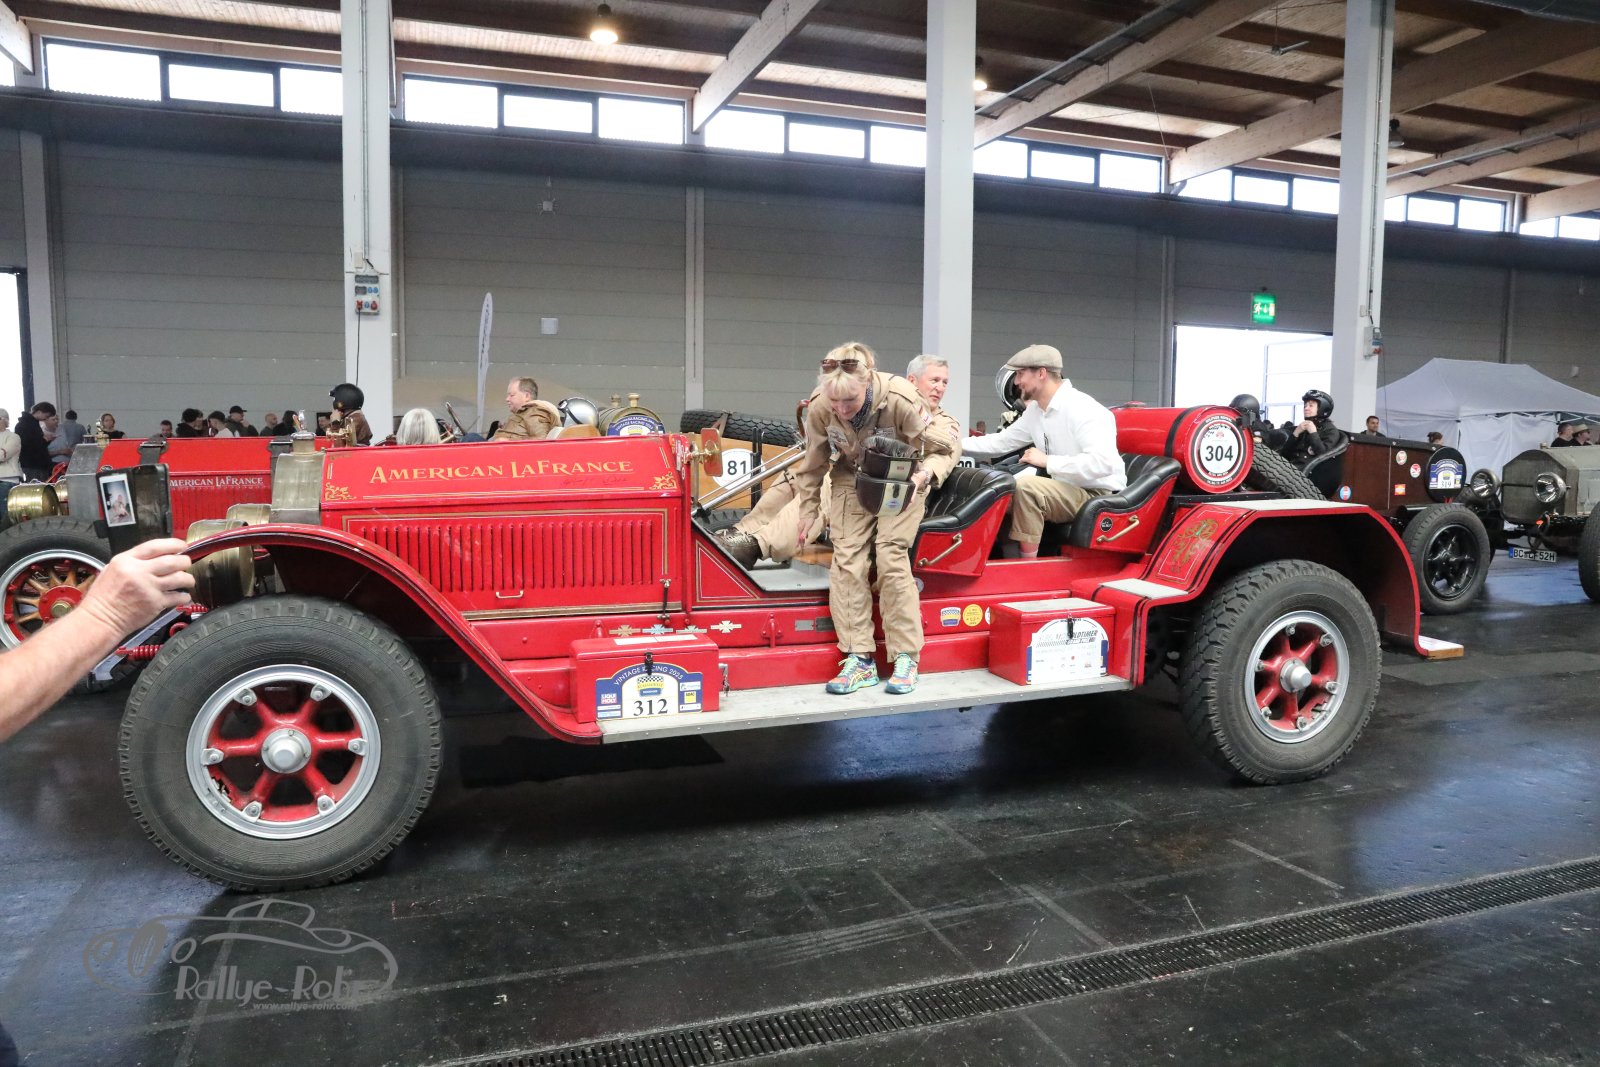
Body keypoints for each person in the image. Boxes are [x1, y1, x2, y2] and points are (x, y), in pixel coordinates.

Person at [792, 341, 954, 697]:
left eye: (849, 401)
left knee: (890, 555)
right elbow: (813, 463)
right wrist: (808, 511)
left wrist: (926, 474)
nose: (841, 409)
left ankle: (906, 658)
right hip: (852, 477)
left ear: (867, 383)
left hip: (904, 478)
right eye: (834, 401)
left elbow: (944, 447)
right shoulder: (821, 405)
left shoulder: (901, 398)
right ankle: (859, 660)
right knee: (847, 561)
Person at [963, 344, 1126, 559]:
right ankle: (1001, 560)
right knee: (1000, 490)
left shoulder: (1084, 409)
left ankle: (1027, 568)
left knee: (1028, 488)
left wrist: (1048, 461)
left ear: (1041, 373)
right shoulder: (1036, 410)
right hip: (1064, 488)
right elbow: (1002, 441)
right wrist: (955, 446)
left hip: (1095, 493)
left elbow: (1102, 464)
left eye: (1021, 374)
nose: (1017, 382)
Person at [1278, 389, 1342, 466]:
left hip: (1309, 471)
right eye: (1305, 405)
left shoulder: (1331, 431)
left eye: (1311, 405)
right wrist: (1295, 434)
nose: (1306, 408)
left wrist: (1313, 433)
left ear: (1322, 408)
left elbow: (1323, 457)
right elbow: (1284, 455)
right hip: (1290, 468)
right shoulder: (1302, 428)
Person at [492, 377, 561, 441]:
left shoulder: (535, 411)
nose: (507, 399)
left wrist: (508, 441)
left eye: (512, 395)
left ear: (527, 396)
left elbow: (540, 440)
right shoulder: (525, 413)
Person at [15, 402, 56, 481]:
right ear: (39, 412)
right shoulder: (24, 425)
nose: (46, 419)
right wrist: (44, 440)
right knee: (37, 487)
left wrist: (46, 441)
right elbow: (27, 445)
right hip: (32, 464)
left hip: (37, 464)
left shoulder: (33, 423)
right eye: (46, 416)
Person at [0, 409, 21, 507]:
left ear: (5, 420)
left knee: (5, 512)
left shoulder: (13, 437)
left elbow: (2, 456)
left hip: (7, 480)